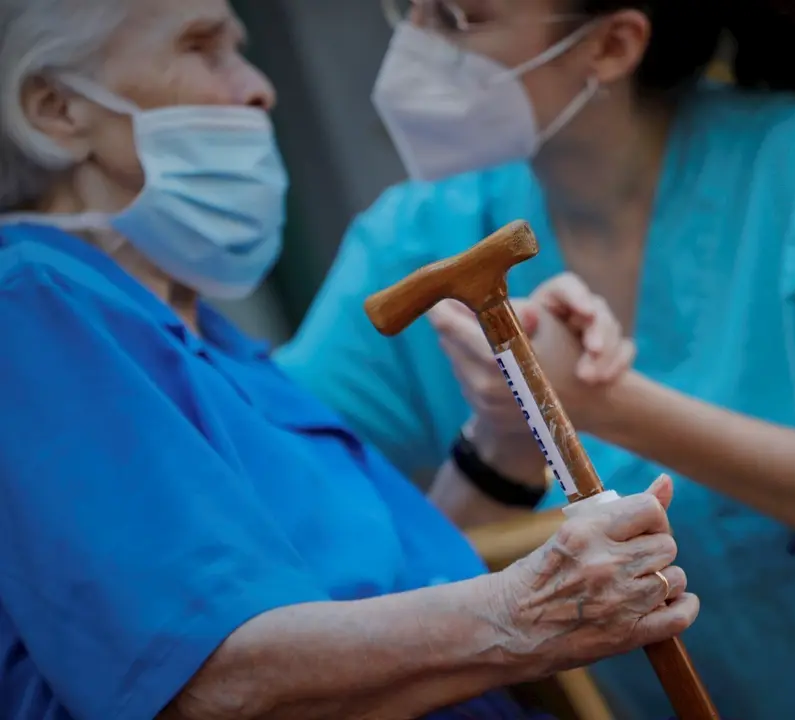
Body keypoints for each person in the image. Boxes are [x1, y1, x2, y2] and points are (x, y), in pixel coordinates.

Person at [277, 0, 795, 718]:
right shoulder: (416, 243)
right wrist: (498, 446)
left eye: (459, 19)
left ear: (612, 45)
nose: (412, 49)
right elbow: (303, 552)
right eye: (409, 8)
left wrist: (602, 402)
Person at [0, 1, 700, 719]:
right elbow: (203, 682)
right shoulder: (26, 302)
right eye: (202, 47)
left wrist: (503, 440)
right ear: (56, 109)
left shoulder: (219, 351)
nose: (257, 87)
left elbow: (389, 593)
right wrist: (524, 615)